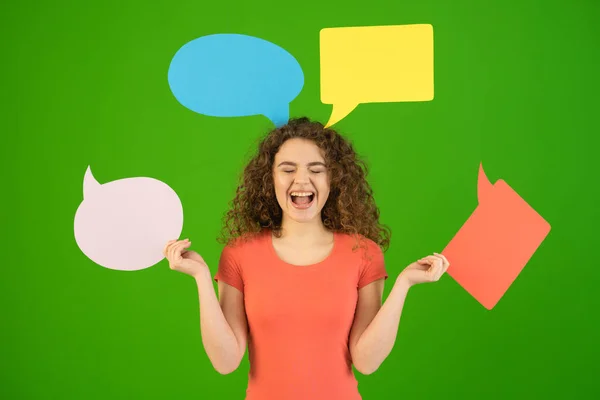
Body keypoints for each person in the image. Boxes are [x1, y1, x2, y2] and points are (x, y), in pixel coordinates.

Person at [163, 117, 450, 400]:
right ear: (269, 179)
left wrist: (404, 284)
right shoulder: (239, 254)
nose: (302, 180)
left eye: (317, 169)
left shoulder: (364, 254)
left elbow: (366, 361)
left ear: (333, 179)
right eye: (287, 169)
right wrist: (201, 277)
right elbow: (225, 362)